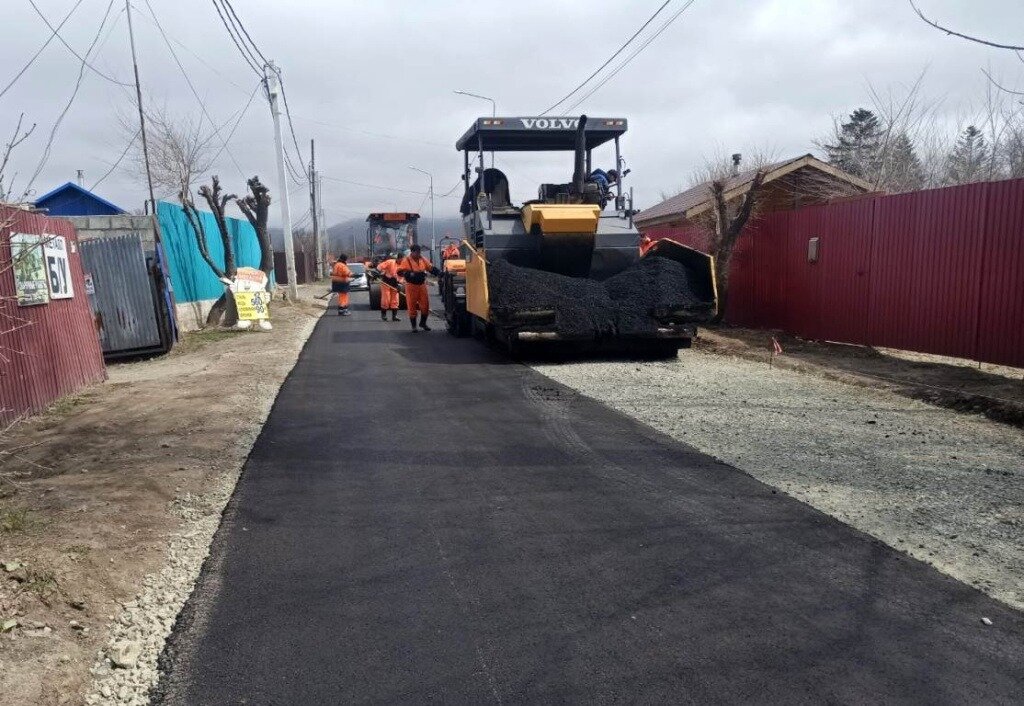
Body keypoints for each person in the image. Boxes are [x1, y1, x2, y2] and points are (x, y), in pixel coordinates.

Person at [397, 244, 440, 332]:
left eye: (419, 252)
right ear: (412, 252)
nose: (418, 254)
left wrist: (439, 273)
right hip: (411, 286)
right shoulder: (406, 261)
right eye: (416, 252)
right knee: (412, 305)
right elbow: (399, 272)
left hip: (422, 285)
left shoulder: (422, 259)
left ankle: (423, 323)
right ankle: (414, 326)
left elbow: (430, 268)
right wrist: (408, 274)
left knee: (425, 305)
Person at [375, 252, 401, 322]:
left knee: (395, 300)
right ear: (398, 258)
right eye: (401, 260)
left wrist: (400, 285)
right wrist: (377, 272)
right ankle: (384, 315)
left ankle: (394, 316)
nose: (402, 261)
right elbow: (380, 266)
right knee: (386, 299)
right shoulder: (390, 262)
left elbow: (402, 277)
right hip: (386, 282)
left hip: (395, 284)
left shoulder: (403, 266)